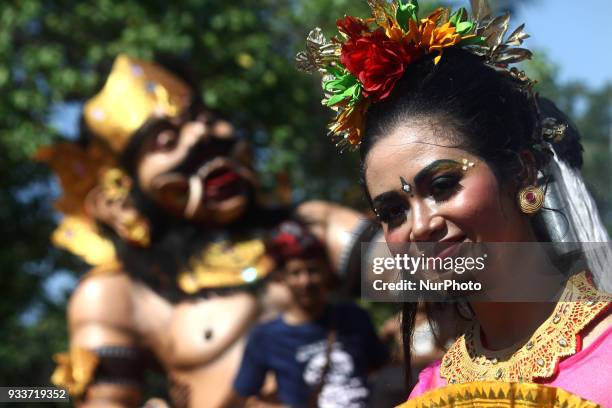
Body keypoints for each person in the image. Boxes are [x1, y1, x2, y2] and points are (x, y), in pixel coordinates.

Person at [296, 0, 612, 406]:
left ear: (522, 172)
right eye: (393, 212)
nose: (421, 226)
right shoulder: (430, 392)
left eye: (443, 185)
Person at [39, 54, 376, 407]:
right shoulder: (118, 295)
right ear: (119, 200)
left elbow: (424, 279)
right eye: (167, 141)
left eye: (205, 119)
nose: (201, 134)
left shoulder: (310, 225)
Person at [224, 221, 388, 408]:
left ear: (326, 271)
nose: (305, 281)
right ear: (282, 278)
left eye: (312, 270)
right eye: (295, 273)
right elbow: (243, 395)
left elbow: (381, 368)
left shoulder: (354, 316)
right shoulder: (265, 337)